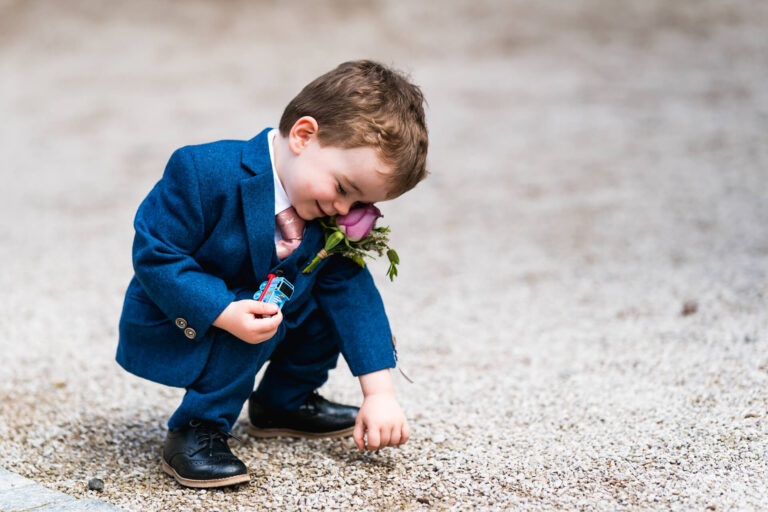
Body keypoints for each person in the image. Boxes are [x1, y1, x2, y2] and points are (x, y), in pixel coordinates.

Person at [116, 60, 429, 488]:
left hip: (272, 311)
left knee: (326, 304)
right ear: (303, 135)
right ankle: (196, 427)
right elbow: (156, 253)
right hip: (189, 317)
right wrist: (222, 310)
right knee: (256, 317)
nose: (343, 211)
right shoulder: (203, 171)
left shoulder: (323, 210)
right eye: (342, 189)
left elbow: (354, 296)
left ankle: (284, 403)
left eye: (359, 206)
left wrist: (379, 394)